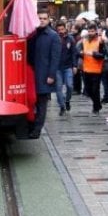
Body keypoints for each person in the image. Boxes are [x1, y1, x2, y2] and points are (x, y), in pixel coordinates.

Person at [27, 10, 61, 138]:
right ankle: (31, 124)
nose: (41, 20)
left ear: (48, 20)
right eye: (39, 18)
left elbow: (55, 58)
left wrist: (51, 75)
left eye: (44, 18)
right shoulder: (32, 34)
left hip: (44, 75)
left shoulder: (53, 36)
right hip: (31, 74)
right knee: (32, 101)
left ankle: (37, 129)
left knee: (41, 104)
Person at [77, 24, 107, 115]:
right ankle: (97, 104)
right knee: (88, 90)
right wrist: (81, 53)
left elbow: (103, 55)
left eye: (92, 31)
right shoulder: (84, 41)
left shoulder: (100, 41)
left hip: (97, 69)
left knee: (95, 90)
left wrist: (93, 54)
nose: (90, 33)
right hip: (86, 69)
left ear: (96, 31)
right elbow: (79, 52)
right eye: (89, 31)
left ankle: (96, 107)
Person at [55, 21, 77, 115]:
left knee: (70, 86)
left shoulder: (70, 39)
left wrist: (75, 65)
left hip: (68, 66)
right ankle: (62, 106)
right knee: (58, 88)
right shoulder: (54, 39)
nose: (61, 31)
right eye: (59, 30)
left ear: (65, 29)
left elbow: (73, 53)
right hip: (57, 68)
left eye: (62, 29)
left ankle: (67, 100)